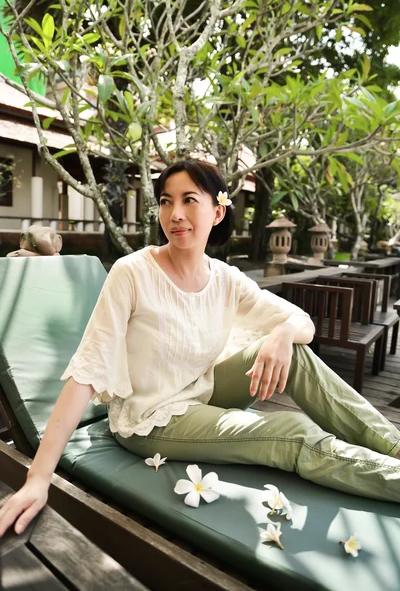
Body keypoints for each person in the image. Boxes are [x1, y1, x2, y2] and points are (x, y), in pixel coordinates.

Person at [0, 159, 399, 538]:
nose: (175, 213)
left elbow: (304, 324)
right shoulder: (132, 273)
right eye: (165, 201)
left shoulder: (225, 278)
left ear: (217, 211)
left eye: (189, 200)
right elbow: (86, 373)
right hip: (151, 418)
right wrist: (38, 478)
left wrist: (280, 335)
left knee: (295, 351)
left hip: (203, 390)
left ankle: (393, 446)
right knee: (293, 432)